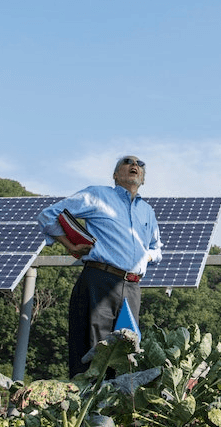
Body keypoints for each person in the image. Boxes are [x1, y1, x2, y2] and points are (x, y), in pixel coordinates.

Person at [37, 155, 162, 376]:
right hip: (99, 280)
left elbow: (156, 249)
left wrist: (146, 257)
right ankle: (90, 407)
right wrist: (70, 245)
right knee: (94, 353)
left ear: (143, 179)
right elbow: (48, 215)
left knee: (127, 355)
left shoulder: (147, 212)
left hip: (132, 289)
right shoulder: (97, 195)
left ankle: (115, 409)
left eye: (140, 164)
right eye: (127, 162)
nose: (135, 165)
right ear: (115, 175)